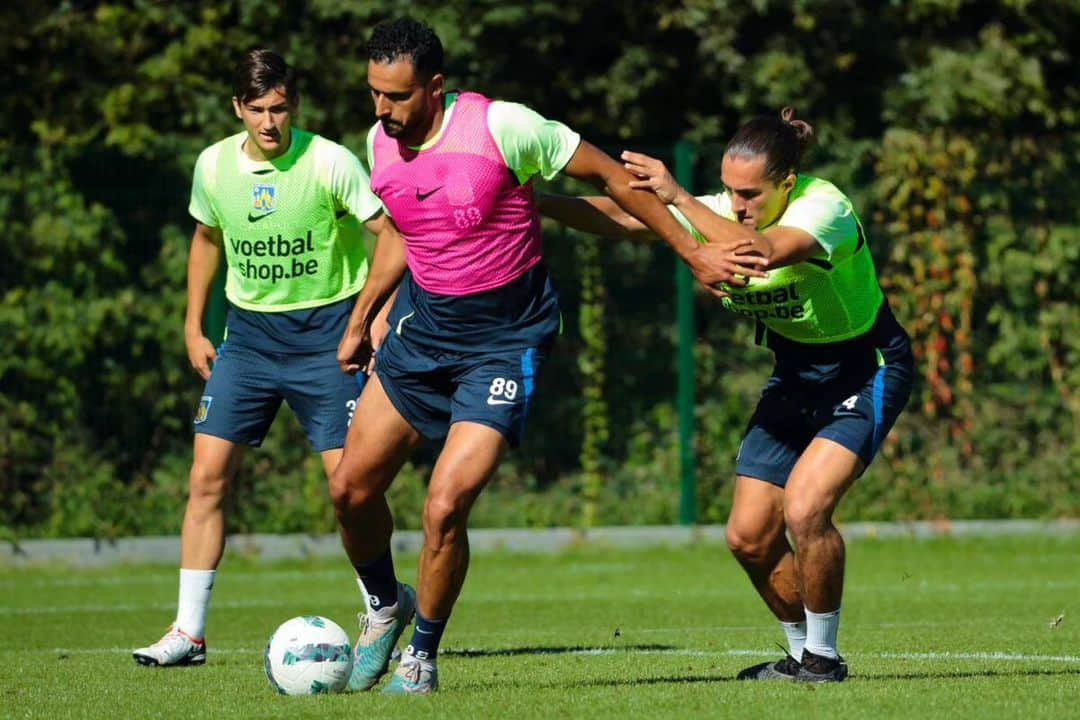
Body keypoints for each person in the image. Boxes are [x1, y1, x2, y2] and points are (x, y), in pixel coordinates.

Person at [327, 17, 767, 695]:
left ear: (436, 87)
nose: (381, 110)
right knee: (350, 491)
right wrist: (362, 318)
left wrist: (693, 252)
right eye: (374, 94)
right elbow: (404, 237)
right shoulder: (378, 144)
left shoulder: (505, 126)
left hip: (504, 344)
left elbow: (618, 180)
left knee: (445, 505)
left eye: (397, 96)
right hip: (425, 331)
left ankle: (421, 658)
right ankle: (386, 606)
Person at [538, 108, 914, 682]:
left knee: (807, 506)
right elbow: (621, 217)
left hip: (866, 368)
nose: (737, 204)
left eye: (750, 194)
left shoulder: (824, 207)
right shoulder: (716, 209)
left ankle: (824, 660)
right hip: (795, 374)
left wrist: (681, 199)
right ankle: (800, 656)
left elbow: (758, 251)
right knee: (748, 536)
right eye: (730, 191)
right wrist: (530, 203)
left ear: (787, 183)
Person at [133, 49, 402, 667]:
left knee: (350, 489)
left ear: (294, 105)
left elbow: (389, 232)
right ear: (237, 109)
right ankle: (189, 633)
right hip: (248, 340)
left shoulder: (331, 161)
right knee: (205, 479)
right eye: (256, 109)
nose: (269, 122)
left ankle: (382, 606)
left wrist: (378, 314)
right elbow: (206, 238)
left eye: (279, 108)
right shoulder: (213, 166)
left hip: (329, 339)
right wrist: (193, 323)